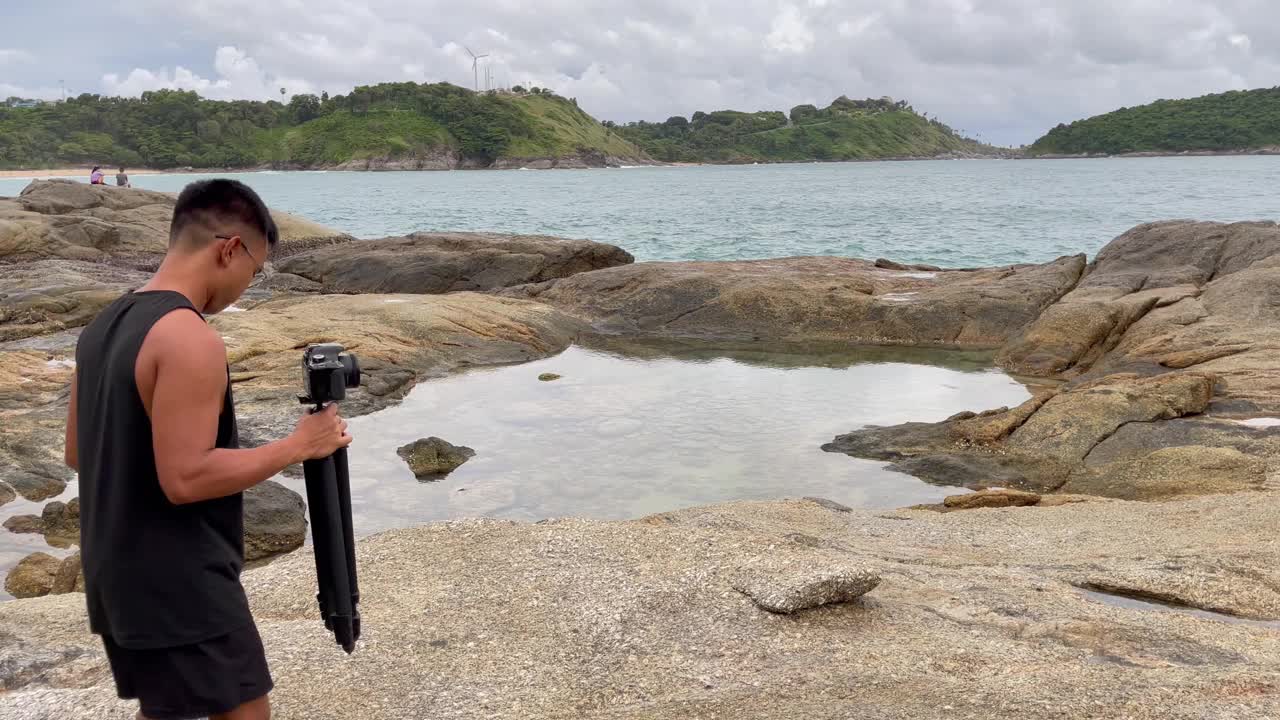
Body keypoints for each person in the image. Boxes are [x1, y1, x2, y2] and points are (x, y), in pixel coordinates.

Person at [64, 179, 352, 720]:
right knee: (243, 711)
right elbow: (187, 477)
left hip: (116, 575)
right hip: (179, 580)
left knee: (169, 709)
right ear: (229, 249)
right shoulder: (187, 336)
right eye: (256, 268)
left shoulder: (102, 326)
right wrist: (298, 445)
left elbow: (80, 452)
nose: (250, 282)